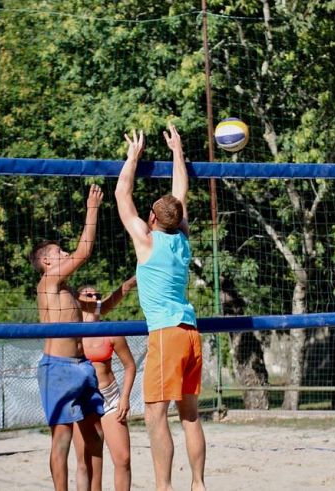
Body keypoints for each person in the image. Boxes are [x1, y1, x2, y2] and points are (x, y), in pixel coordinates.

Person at [115, 123, 206, 491]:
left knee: (155, 415)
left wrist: (133, 157)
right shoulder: (182, 238)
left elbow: (122, 193)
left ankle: (164, 487)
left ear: (152, 219)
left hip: (167, 334)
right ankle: (198, 484)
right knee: (190, 415)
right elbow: (180, 192)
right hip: (190, 333)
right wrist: (177, 151)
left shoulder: (147, 240)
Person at [29, 183, 105, 491]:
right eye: (59, 252)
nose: (65, 253)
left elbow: (100, 309)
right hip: (57, 368)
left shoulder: (69, 292)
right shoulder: (48, 281)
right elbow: (84, 252)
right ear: (47, 262)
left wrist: (126, 287)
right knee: (62, 438)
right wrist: (92, 209)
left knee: (95, 437)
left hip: (82, 366)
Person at [74, 277, 138, 491]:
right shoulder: (70, 332)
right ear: (77, 300)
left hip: (110, 398)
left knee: (123, 459)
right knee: (86, 463)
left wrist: (125, 398)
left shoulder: (111, 331)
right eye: (89, 294)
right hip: (83, 399)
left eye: (98, 295)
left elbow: (130, 366)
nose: (95, 297)